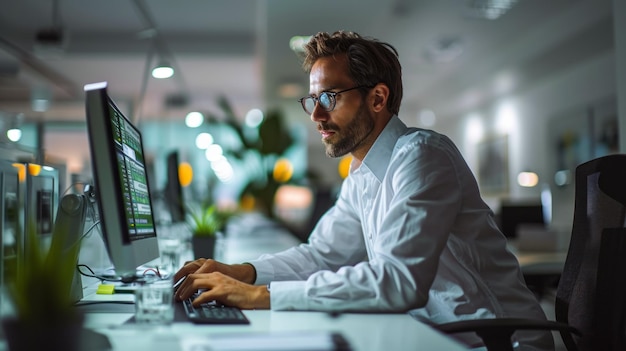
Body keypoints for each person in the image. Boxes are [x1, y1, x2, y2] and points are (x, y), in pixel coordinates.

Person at [174, 30, 553, 350]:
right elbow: (323, 254)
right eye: (313, 100)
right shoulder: (362, 172)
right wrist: (243, 272)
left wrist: (261, 297)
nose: (317, 116)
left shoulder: (422, 157)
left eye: (330, 98)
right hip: (434, 333)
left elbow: (398, 282)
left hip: (495, 341)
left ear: (377, 98)